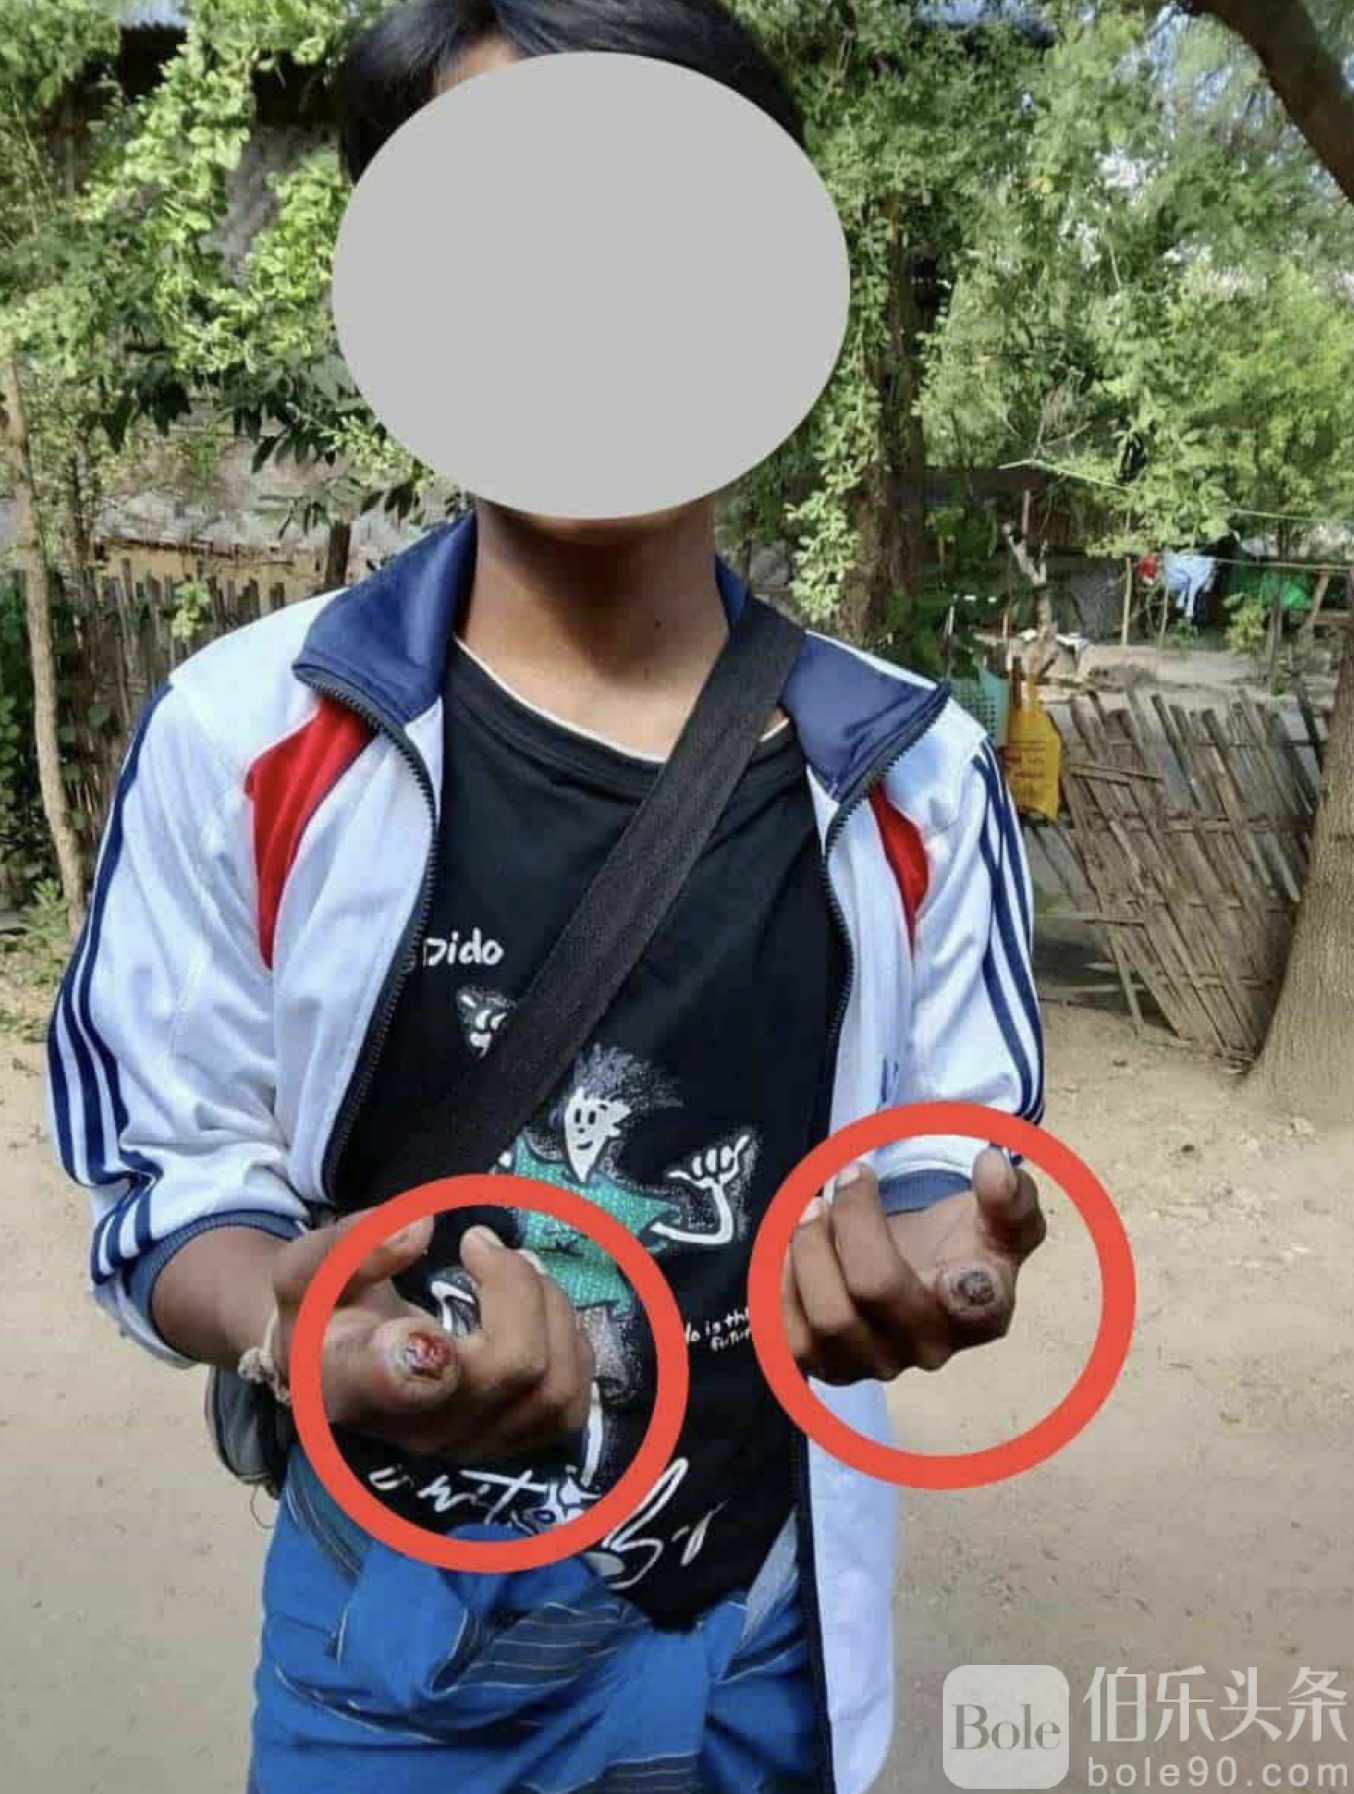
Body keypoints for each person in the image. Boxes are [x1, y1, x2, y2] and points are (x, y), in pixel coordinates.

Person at [46, 4, 1046, 1792]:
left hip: (769, 1642)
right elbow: (170, 1167)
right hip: (394, 1650)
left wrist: (936, 1247)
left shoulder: (911, 772)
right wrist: (293, 1317)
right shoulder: (245, 737)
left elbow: (949, 1149)